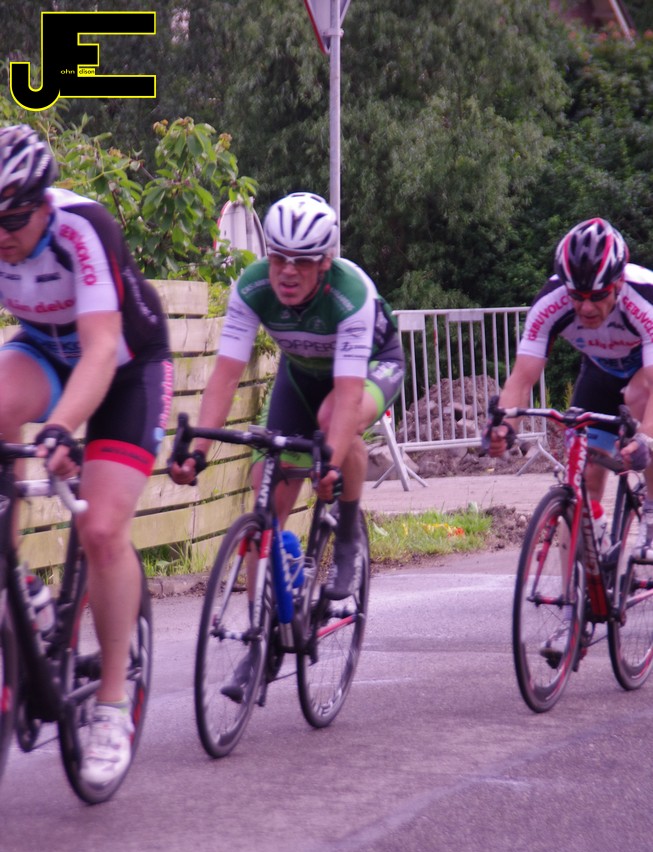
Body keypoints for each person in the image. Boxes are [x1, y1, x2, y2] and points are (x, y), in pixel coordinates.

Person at [170, 191, 404, 699]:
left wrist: (330, 462)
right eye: (279, 258)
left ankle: (347, 535)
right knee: (265, 500)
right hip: (300, 378)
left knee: (334, 425)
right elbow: (224, 378)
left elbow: (346, 395)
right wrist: (199, 452)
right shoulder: (252, 286)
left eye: (302, 261)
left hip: (370, 368)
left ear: (325, 262)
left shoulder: (350, 294)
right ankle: (264, 640)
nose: (288, 272)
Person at [0, 124, 173, 788]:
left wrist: (62, 427)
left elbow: (100, 347)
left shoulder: (84, 228)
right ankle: (18, 580)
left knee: (100, 529)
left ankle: (111, 705)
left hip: (126, 368)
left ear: (43, 203)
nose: (3, 234)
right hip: (44, 351)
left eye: (13, 218)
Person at [488, 217, 653, 540]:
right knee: (585, 478)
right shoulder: (551, 302)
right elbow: (521, 378)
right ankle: (589, 552)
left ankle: (651, 509)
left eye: (597, 295)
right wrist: (505, 426)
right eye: (577, 295)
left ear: (618, 283)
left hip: (645, 374)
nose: (586, 307)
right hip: (601, 371)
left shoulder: (644, 298)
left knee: (639, 406)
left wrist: (645, 439)